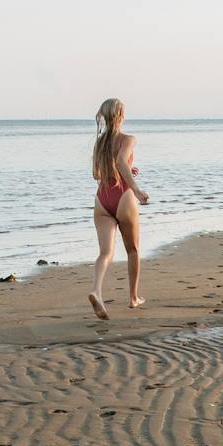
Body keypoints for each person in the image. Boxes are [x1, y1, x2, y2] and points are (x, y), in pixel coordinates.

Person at [89, 97, 148, 320]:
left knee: (105, 252)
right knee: (132, 249)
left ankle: (96, 290)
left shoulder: (100, 143)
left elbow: (96, 175)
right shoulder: (128, 139)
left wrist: (122, 171)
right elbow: (123, 161)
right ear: (121, 115)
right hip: (123, 195)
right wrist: (136, 188)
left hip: (102, 199)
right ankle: (133, 298)